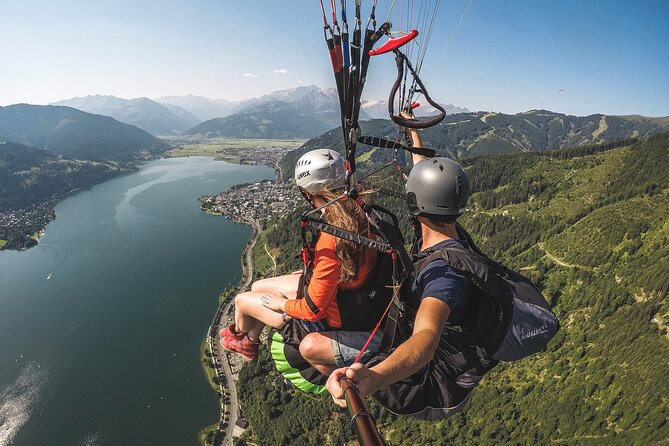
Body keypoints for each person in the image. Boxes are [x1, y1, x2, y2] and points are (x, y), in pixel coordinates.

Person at [325, 126, 489, 419]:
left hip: (427, 388)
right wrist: (413, 132)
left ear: (414, 204)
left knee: (312, 346)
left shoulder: (443, 274)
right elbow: (426, 180)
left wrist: (375, 377)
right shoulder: (448, 232)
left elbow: (426, 336)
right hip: (426, 357)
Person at [219, 149, 384, 367]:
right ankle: (248, 341)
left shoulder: (333, 237)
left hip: (334, 317)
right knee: (259, 286)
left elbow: (312, 310)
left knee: (242, 301)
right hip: (356, 296)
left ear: (309, 193)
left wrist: (283, 304)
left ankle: (239, 337)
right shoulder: (363, 213)